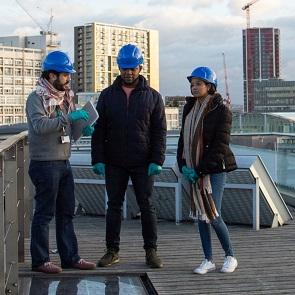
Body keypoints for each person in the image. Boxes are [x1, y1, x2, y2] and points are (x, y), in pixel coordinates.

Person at [91, 43, 167, 269]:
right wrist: (98, 159)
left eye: (133, 68)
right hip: (114, 162)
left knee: (147, 206)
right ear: (119, 68)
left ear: (141, 67)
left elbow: (159, 131)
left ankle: (151, 252)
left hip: (143, 162)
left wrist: (157, 160)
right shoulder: (107, 96)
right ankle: (112, 251)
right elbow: (99, 129)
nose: (128, 72)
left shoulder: (153, 97)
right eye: (124, 68)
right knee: (113, 206)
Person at [26, 50, 96, 274]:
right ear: (52, 75)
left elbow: (66, 127)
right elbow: (40, 126)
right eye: (65, 75)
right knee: (44, 214)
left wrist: (83, 128)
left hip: (63, 162)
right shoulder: (36, 98)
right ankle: (40, 260)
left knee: (67, 212)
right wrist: (69, 118)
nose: (68, 79)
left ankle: (70, 257)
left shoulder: (66, 97)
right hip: (44, 163)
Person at [175, 66, 239, 274]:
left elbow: (221, 146)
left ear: (210, 86)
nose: (194, 87)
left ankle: (230, 256)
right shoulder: (189, 109)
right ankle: (208, 259)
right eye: (192, 84)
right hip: (194, 169)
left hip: (215, 170)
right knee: (201, 215)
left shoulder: (222, 111)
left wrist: (200, 170)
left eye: (198, 83)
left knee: (213, 213)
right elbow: (182, 141)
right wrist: (184, 166)